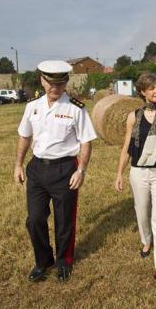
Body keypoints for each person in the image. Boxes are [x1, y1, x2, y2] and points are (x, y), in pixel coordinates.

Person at [14, 60, 97, 283]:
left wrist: (81, 170)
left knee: (64, 220)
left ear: (66, 83)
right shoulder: (32, 106)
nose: (55, 88)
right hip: (37, 169)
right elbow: (25, 136)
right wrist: (18, 165)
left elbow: (86, 142)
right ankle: (43, 261)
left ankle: (63, 262)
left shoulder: (76, 108)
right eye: (51, 83)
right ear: (42, 80)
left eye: (60, 84)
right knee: (34, 219)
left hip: (65, 169)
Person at [115, 72, 156, 288]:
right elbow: (126, 147)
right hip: (139, 173)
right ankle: (145, 241)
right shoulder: (134, 117)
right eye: (151, 88)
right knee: (142, 214)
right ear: (142, 92)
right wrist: (119, 173)